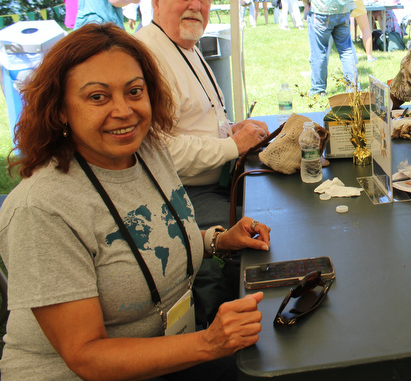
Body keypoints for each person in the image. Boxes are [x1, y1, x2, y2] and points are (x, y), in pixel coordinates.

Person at [0, 23, 271, 380]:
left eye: (134, 91)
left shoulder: (147, 150)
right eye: (97, 97)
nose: (124, 110)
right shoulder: (42, 210)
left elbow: (146, 237)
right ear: (61, 109)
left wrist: (216, 240)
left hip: (167, 354)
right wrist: (208, 343)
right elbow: (86, 356)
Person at [135, 0, 270, 230]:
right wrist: (233, 145)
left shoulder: (185, 45)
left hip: (216, 179)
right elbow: (160, 152)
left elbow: (193, 121)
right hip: (179, 194)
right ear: (156, 2)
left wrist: (231, 130)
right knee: (272, 224)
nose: (195, 5)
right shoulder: (146, 57)